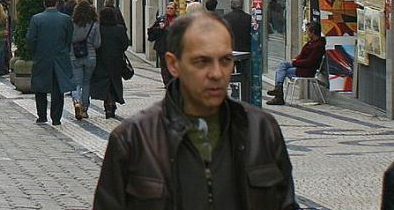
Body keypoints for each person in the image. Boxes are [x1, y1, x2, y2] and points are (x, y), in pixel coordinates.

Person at [93, 13, 299, 210]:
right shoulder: (133, 139)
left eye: (226, 60)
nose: (217, 73)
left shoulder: (261, 129)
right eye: (202, 61)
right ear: (173, 64)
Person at [27, 0, 75, 125]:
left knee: (40, 87)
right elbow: (69, 38)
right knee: (58, 88)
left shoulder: (36, 19)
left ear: (44, 3)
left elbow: (30, 39)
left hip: (42, 58)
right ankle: (56, 118)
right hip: (60, 57)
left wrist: (34, 53)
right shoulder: (65, 19)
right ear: (56, 3)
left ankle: (42, 116)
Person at [267, 22, 326, 106]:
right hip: (301, 65)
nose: (306, 33)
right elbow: (302, 55)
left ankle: (278, 95)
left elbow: (310, 62)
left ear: (312, 32)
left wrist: (296, 62)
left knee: (282, 72)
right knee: (282, 65)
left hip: (307, 70)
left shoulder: (318, 46)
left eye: (307, 31)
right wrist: (295, 60)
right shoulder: (310, 43)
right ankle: (278, 90)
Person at [90, 4, 131, 119]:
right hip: (116, 60)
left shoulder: (98, 28)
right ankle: (111, 104)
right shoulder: (119, 29)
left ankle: (108, 104)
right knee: (114, 81)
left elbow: (95, 43)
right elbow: (125, 44)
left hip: (101, 59)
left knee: (105, 82)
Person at [70, 0, 102, 120]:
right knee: (86, 82)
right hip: (90, 56)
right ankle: (84, 108)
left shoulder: (71, 23)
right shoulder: (94, 24)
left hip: (74, 56)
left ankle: (76, 101)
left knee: (76, 82)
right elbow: (97, 43)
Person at [147, 2, 179, 84]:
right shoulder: (161, 19)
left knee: (174, 65)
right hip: (162, 46)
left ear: (175, 10)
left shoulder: (179, 20)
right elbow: (151, 31)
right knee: (164, 66)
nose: (169, 10)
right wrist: (160, 28)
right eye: (168, 8)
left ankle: (173, 81)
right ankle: (167, 82)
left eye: (171, 8)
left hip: (175, 47)